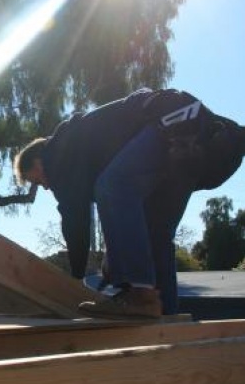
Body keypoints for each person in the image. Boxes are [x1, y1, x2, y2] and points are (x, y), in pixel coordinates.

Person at [14, 88, 245, 319]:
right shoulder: (83, 150)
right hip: (212, 143)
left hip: (176, 122)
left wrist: (74, 278)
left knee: (112, 185)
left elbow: (75, 218)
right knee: (156, 231)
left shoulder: (57, 154)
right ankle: (163, 312)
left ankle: (142, 297)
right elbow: (128, 215)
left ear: (38, 159)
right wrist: (116, 256)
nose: (45, 186)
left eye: (37, 179)